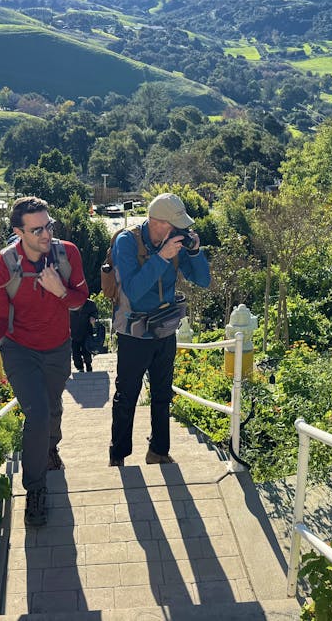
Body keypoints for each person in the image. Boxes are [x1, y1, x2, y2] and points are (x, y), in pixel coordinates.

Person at [0, 196, 89, 527]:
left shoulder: (67, 254)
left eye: (49, 226)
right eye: (37, 230)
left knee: (53, 407)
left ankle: (50, 448)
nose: (46, 234)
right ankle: (35, 489)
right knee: (38, 413)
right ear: (19, 232)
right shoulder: (1, 267)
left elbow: (80, 299)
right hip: (21, 350)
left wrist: (60, 291)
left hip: (59, 347)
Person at [108, 192, 210, 467]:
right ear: (156, 222)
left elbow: (203, 280)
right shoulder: (127, 242)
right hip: (134, 332)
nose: (181, 231)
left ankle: (159, 451)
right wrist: (162, 258)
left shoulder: (173, 243)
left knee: (163, 393)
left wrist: (194, 252)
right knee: (127, 394)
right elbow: (133, 291)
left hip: (164, 329)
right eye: (176, 226)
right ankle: (118, 455)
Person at [69, 298, 99, 373]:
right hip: (73, 332)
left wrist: (93, 317)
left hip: (86, 332)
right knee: (75, 353)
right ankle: (80, 367)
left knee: (87, 351)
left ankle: (88, 365)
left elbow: (95, 312)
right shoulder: (69, 303)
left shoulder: (90, 304)